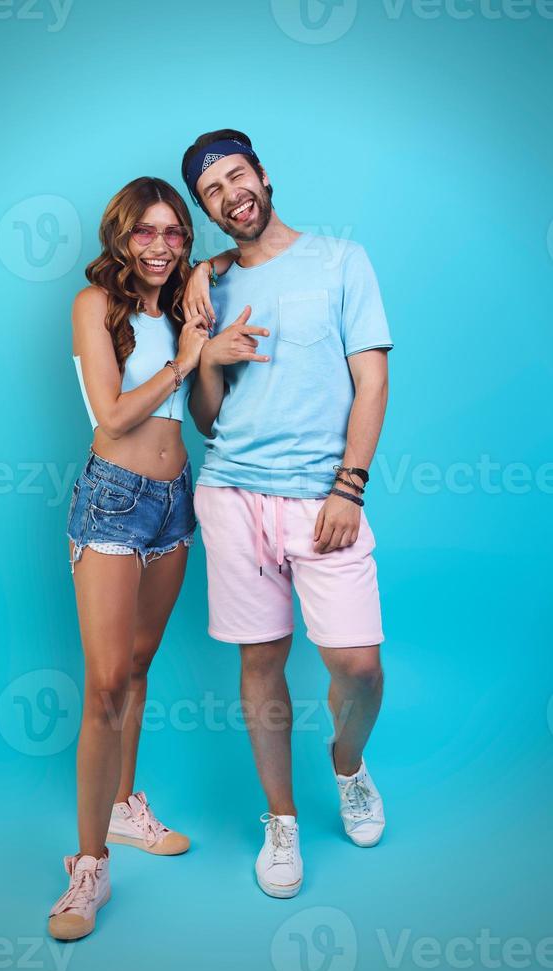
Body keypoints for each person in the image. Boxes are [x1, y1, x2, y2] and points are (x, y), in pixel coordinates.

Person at [182, 129, 394, 899]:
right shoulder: (205, 290)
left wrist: (349, 486)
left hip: (322, 499)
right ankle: (282, 821)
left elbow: (370, 383)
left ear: (263, 176)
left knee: (358, 667)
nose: (231, 194)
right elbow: (206, 420)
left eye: (238, 176)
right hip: (233, 495)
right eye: (212, 191)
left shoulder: (342, 260)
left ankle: (348, 765)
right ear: (207, 209)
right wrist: (207, 356)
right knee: (260, 662)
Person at [48, 177, 209, 940]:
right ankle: (89, 866)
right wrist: (183, 360)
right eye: (145, 232)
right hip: (113, 500)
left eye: (174, 233)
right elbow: (112, 416)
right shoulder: (93, 307)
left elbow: (202, 412)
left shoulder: (184, 309)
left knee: (140, 667)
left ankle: (124, 805)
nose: (160, 246)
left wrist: (214, 354)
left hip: (178, 499)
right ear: (121, 236)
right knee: (106, 683)